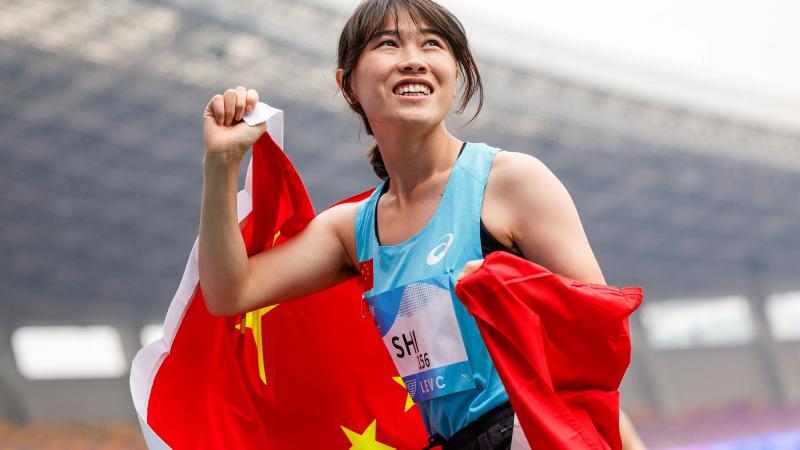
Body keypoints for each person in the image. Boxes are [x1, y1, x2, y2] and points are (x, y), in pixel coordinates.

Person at [198, 0, 619, 448]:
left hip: (533, 433)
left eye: (432, 44)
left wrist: (504, 286)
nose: (413, 59)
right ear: (349, 86)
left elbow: (602, 330)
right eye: (388, 44)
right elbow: (230, 293)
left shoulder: (510, 181)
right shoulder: (352, 230)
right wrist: (221, 163)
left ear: (455, 74)